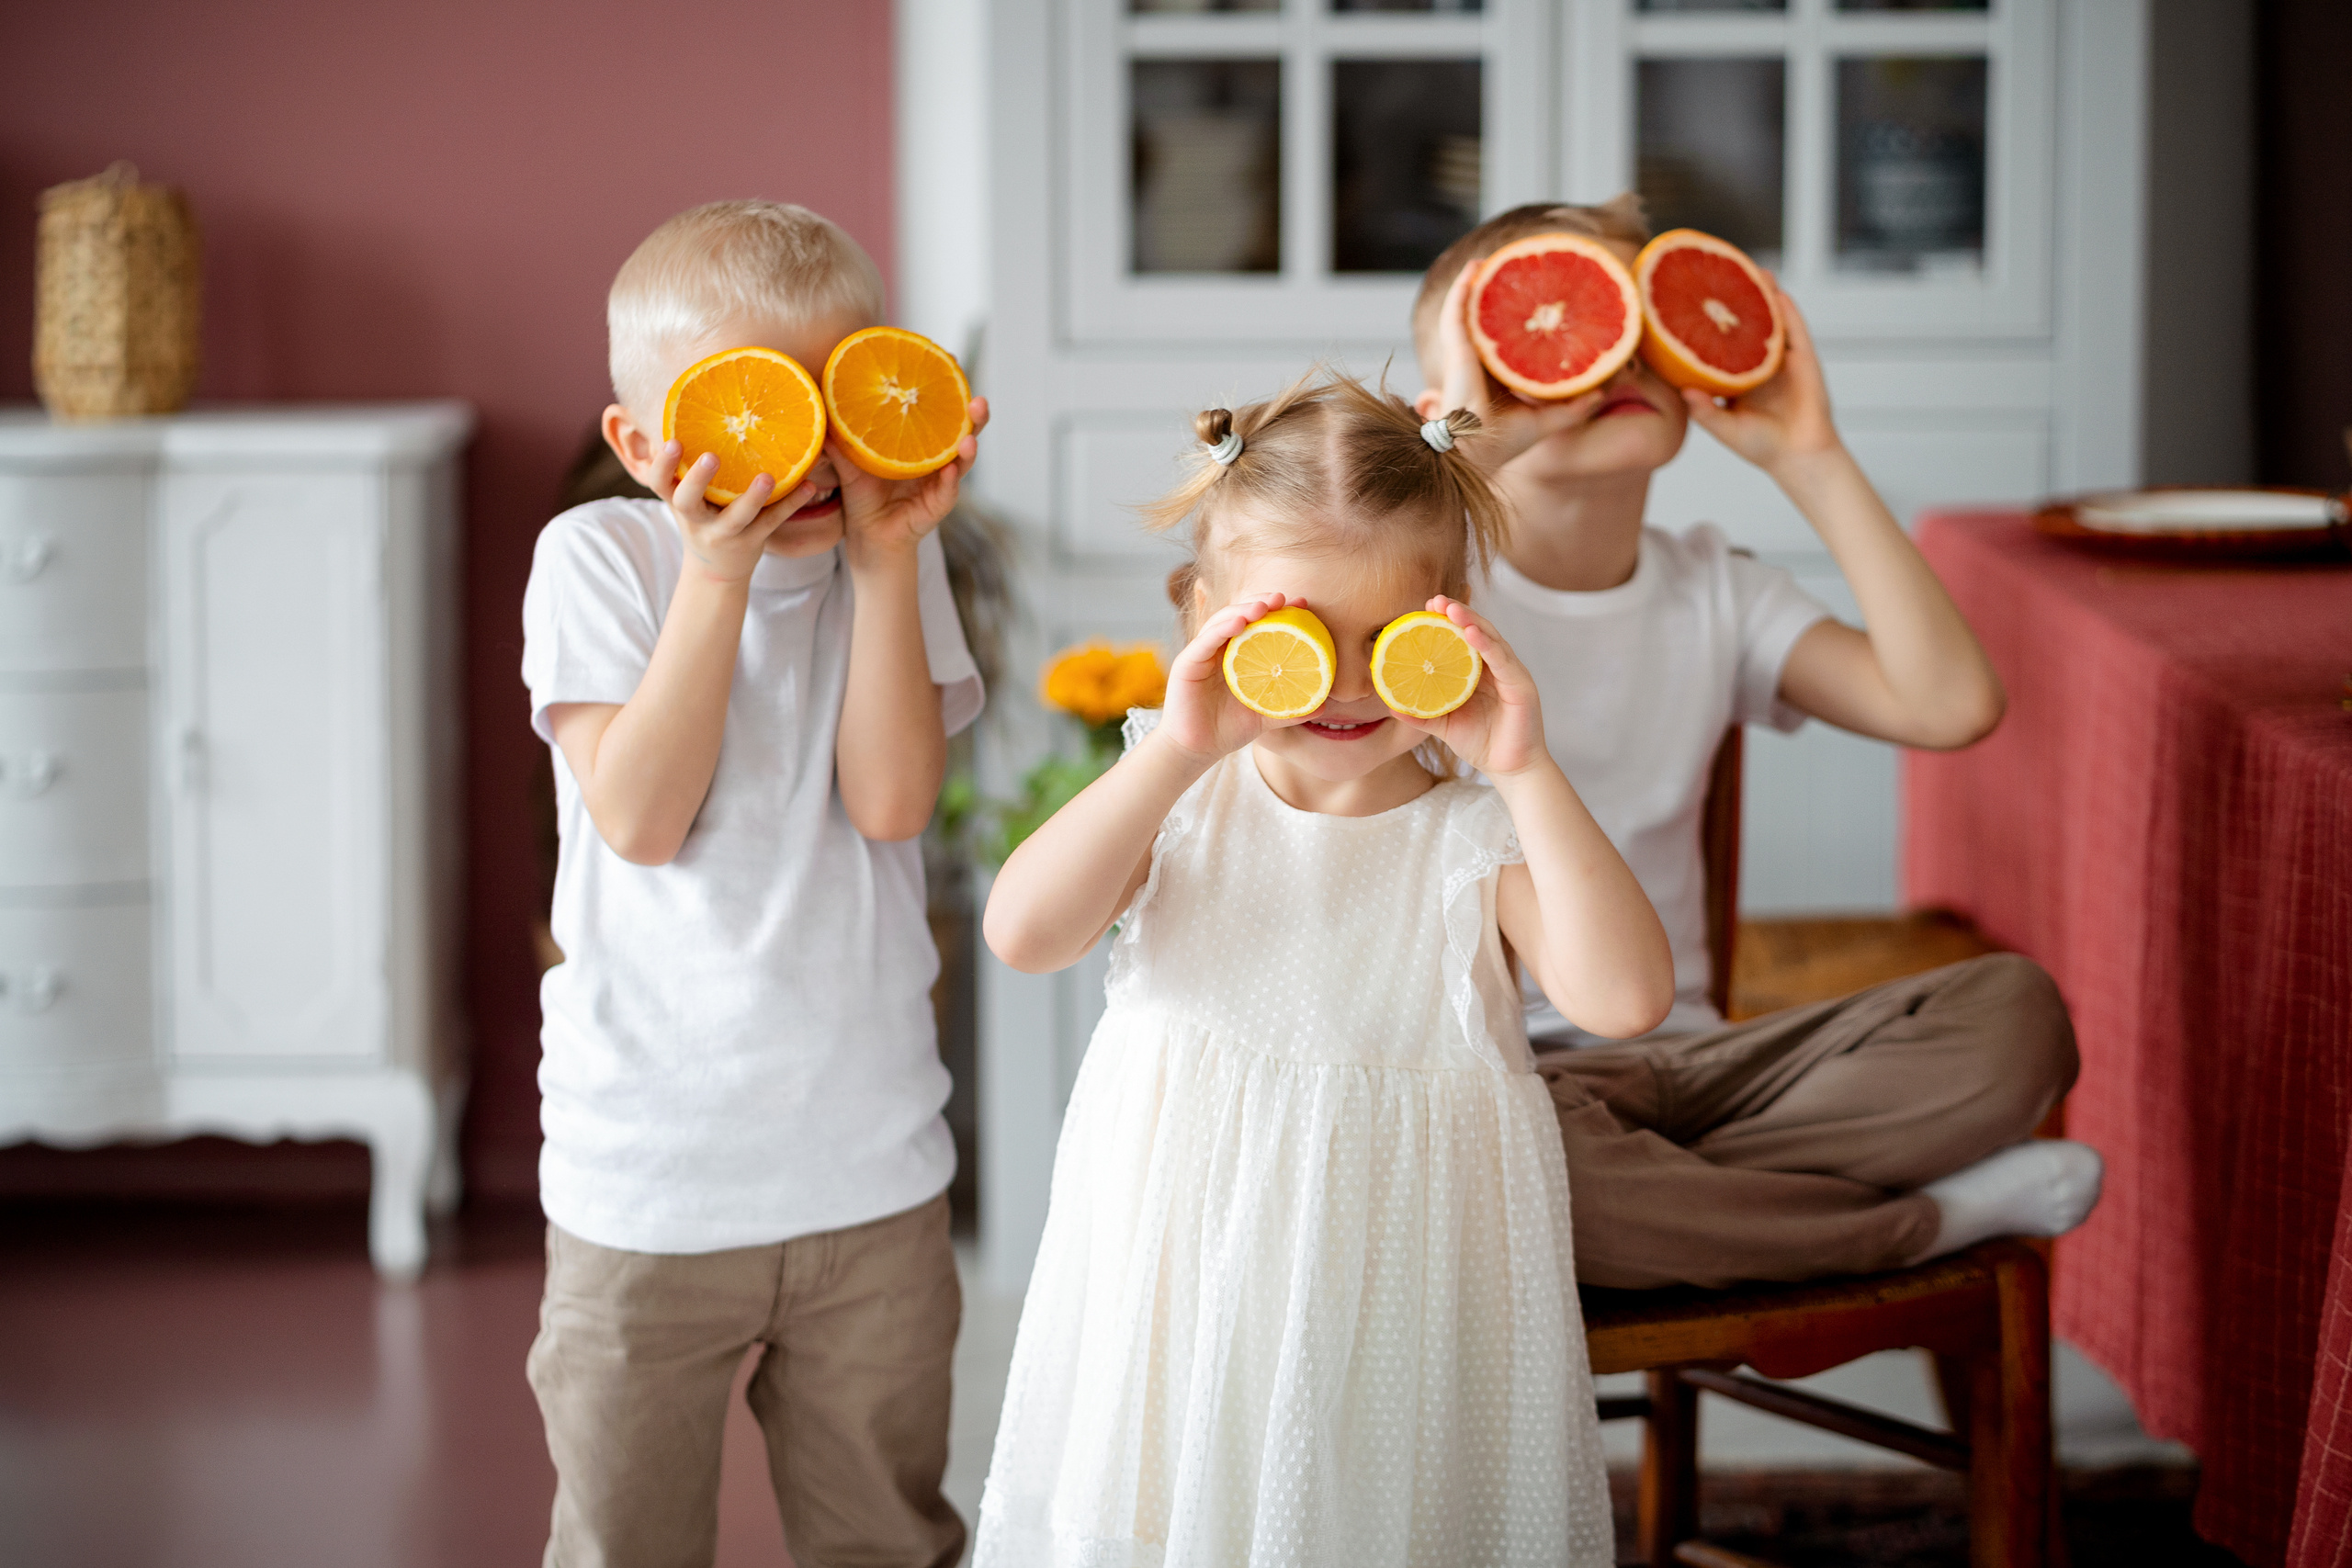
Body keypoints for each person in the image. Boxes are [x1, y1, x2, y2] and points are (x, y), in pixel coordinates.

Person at [976, 372, 1669, 1567]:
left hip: (1404, 1298)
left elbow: (1625, 999)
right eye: (1299, 636)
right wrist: (1174, 752)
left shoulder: (1478, 838)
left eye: (1387, 641)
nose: (1346, 684)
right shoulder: (1176, 798)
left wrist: (1525, 767)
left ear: (1454, 627)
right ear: (1205, 618)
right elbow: (1024, 933)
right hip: (1186, 1280)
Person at [1410, 196, 2103, 1292]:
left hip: (1700, 1064)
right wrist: (1460, 451)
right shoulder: (1417, 603)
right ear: (1449, 400)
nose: (1614, 356)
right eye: (1552, 331)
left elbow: (1948, 706)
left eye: (1639, 320)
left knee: (2015, 1020)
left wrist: (1808, 454)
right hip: (1497, 1069)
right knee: (1502, 1164)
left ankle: (1687, 1204)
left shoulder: (1713, 591)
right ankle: (1918, 1223)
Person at [519, 199, 986, 1568]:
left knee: (887, 1537)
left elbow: (891, 802)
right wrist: (714, 576)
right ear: (639, 445)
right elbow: (641, 817)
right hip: (646, 1182)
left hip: (870, 1172)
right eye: (755, 406)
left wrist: (888, 560)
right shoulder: (596, 559)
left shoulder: (891, 555)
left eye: (841, 397)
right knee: (626, 1541)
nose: (809, 450)